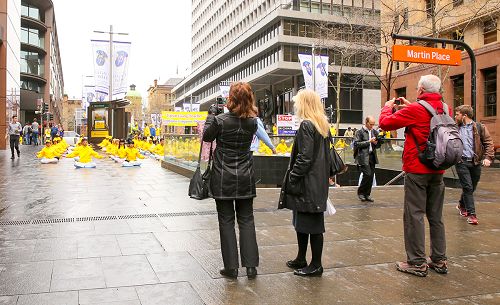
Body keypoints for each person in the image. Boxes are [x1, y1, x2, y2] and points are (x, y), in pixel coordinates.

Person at [379, 74, 451, 277]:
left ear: (420, 90)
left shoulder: (415, 109)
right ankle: (439, 259)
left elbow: (385, 123)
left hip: (417, 169)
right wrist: (411, 105)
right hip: (438, 170)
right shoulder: (446, 108)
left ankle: (417, 262)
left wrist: (387, 106)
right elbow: (426, 118)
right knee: (436, 216)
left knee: (414, 216)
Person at [202, 81, 260, 279]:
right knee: (247, 220)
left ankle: (231, 267)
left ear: (231, 98)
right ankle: (251, 266)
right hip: (245, 176)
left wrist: (211, 114)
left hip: (223, 177)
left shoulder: (220, 120)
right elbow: (244, 119)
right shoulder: (253, 122)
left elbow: (207, 137)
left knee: (226, 221)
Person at [278, 89, 331, 277]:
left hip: (307, 183)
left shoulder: (307, 125)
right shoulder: (322, 125)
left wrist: (293, 177)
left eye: (297, 102)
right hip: (316, 182)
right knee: (303, 221)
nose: (295, 106)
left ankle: (316, 264)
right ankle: (301, 258)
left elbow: (305, 157)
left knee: (313, 225)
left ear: (304, 104)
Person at [454, 105, 495, 225]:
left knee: (472, 187)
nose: (455, 117)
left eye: (457, 114)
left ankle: (461, 205)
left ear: (464, 116)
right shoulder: (455, 128)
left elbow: (488, 143)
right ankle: (472, 215)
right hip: (461, 162)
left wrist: (488, 157)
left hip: (475, 162)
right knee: (468, 187)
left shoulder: (479, 127)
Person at [353, 116, 381, 202]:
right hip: (363, 157)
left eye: (373, 124)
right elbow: (356, 144)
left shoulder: (374, 132)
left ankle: (367, 194)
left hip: (372, 156)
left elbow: (378, 145)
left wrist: (377, 142)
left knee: (371, 176)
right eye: (371, 124)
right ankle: (361, 193)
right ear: (366, 122)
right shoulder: (359, 132)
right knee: (367, 174)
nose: (372, 126)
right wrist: (369, 142)